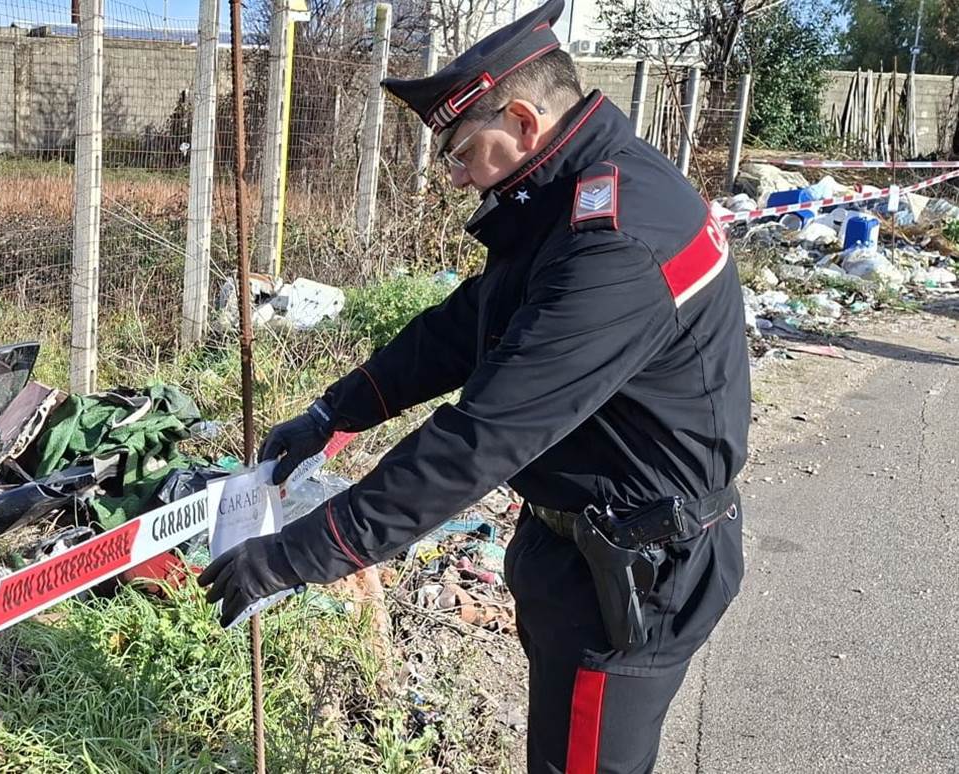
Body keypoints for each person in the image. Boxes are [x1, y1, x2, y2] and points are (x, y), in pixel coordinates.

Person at [197, 0, 749, 770]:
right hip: (582, 547)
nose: (454, 176)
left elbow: (484, 435)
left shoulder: (618, 240)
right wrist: (336, 410)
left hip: (637, 574)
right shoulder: (570, 193)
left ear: (523, 121)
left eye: (460, 151)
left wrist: (300, 554)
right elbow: (467, 325)